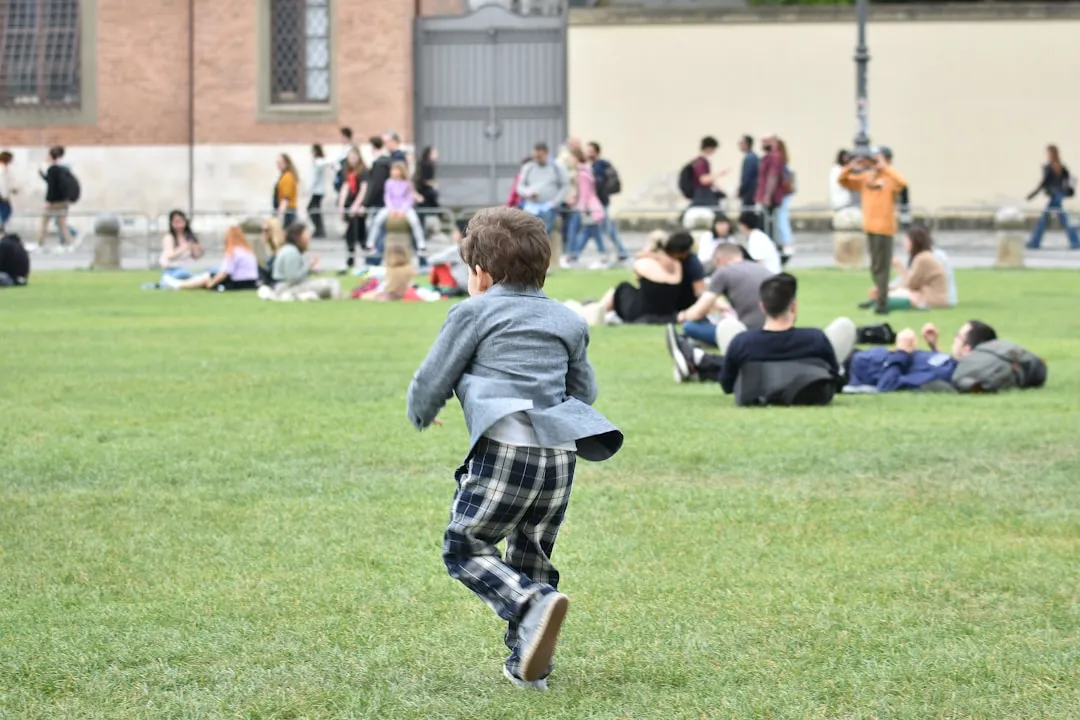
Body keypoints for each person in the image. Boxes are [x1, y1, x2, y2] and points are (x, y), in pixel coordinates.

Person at [406, 207, 622, 689]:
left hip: (506, 449)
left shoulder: (473, 311)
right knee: (532, 557)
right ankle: (530, 668)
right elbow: (583, 391)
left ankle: (530, 604)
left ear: (480, 274)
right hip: (559, 458)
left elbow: (432, 377)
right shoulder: (567, 319)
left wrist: (422, 410)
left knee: (465, 547)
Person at [666, 274, 854, 408]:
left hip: (756, 390)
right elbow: (835, 376)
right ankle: (698, 361)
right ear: (794, 305)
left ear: (762, 307)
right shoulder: (815, 338)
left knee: (728, 327)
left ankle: (699, 361)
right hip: (811, 391)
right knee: (843, 326)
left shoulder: (743, 342)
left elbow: (727, 385)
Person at [570, 231, 705, 326]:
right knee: (621, 291)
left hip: (648, 309)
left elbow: (700, 291)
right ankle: (597, 308)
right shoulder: (679, 265)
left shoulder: (654, 264)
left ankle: (597, 309)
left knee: (621, 289)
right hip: (669, 308)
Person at [838, 149, 907, 315]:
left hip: (885, 228)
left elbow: (903, 183)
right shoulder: (866, 178)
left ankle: (882, 304)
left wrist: (885, 167)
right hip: (870, 227)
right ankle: (878, 298)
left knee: (882, 267)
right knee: (875, 267)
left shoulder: (889, 179)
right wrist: (851, 166)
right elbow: (843, 181)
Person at [847, 321, 998, 392]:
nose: (954, 338)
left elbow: (888, 385)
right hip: (861, 355)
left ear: (967, 350)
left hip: (850, 367)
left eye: (957, 336)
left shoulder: (944, 375)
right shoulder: (953, 364)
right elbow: (933, 365)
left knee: (842, 327)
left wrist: (902, 351)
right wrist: (933, 346)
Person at [674, 242, 774, 347]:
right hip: (774, 330)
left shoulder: (724, 272)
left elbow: (697, 313)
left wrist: (683, 315)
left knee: (690, 326)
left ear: (719, 260)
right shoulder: (762, 269)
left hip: (748, 334)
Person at [859, 225, 951, 311]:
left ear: (914, 242)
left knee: (896, 295)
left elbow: (910, 285)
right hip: (933, 296)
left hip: (932, 298)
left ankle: (878, 303)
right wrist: (888, 288)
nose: (905, 244)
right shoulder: (925, 257)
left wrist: (899, 267)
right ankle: (878, 301)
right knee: (894, 293)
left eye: (907, 241)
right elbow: (911, 284)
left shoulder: (922, 259)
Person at [258, 222, 340, 301]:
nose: (309, 238)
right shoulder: (291, 252)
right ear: (298, 236)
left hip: (287, 286)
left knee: (330, 282)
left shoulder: (290, 250)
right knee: (331, 283)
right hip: (288, 287)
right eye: (306, 235)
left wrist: (311, 269)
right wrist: (308, 267)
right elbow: (293, 278)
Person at [167, 226, 260, 291]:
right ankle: (183, 283)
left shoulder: (233, 252)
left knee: (209, 276)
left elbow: (225, 272)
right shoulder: (248, 251)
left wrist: (212, 282)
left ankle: (180, 285)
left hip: (238, 283)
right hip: (251, 282)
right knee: (210, 276)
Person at [369, 161, 427, 264]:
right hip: (391, 207)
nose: (394, 172)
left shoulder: (408, 184)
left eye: (396, 170)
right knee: (377, 220)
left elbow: (409, 199)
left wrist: (402, 210)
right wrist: (392, 209)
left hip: (404, 208)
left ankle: (421, 245)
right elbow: (387, 197)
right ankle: (371, 243)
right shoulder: (389, 183)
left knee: (414, 221)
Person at [1026, 144, 1080, 250]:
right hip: (1057, 196)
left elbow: (1044, 183)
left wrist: (1033, 194)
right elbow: (1070, 179)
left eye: (1048, 153)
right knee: (1060, 219)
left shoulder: (1051, 167)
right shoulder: (1060, 166)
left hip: (1055, 197)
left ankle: (1035, 242)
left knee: (1045, 220)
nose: (1047, 155)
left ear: (1052, 154)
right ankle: (1075, 242)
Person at [561, 146, 607, 269]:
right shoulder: (585, 171)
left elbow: (585, 193)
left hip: (587, 208)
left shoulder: (582, 173)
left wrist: (580, 207)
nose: (570, 160)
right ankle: (577, 256)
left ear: (576, 158)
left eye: (571, 157)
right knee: (591, 233)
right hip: (588, 207)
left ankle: (572, 256)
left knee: (578, 231)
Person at [586, 141, 630, 265]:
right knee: (601, 228)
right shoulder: (592, 166)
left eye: (590, 151)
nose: (588, 153)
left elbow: (601, 184)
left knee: (606, 228)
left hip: (601, 201)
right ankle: (616, 252)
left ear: (596, 152)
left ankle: (619, 251)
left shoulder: (601, 165)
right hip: (595, 202)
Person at [517, 142, 569, 235]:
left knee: (544, 235)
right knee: (528, 234)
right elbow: (520, 186)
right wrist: (527, 192)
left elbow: (565, 185)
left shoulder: (557, 167)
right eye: (535, 156)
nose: (537, 159)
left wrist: (555, 201)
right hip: (531, 208)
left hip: (548, 208)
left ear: (546, 154)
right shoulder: (528, 167)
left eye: (540, 156)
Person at [337, 147, 369, 274]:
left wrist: (356, 205)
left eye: (354, 157)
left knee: (361, 234)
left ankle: (367, 260)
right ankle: (350, 261)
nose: (352, 159)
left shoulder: (363, 171)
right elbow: (345, 188)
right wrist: (341, 205)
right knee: (350, 234)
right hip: (349, 206)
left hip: (358, 207)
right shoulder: (347, 171)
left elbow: (363, 189)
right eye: (350, 157)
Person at [37, 146, 76, 253]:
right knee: (62, 223)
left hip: (54, 202)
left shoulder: (52, 169)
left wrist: (48, 201)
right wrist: (43, 175)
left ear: (50, 156)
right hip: (63, 201)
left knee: (44, 223)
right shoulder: (64, 168)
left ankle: (41, 244)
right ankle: (69, 243)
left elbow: (52, 187)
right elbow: (54, 183)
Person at [157, 210, 204, 281]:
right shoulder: (169, 237)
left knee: (209, 272)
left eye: (181, 221)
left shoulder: (189, 237)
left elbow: (196, 256)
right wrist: (184, 248)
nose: (180, 225)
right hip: (172, 270)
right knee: (183, 274)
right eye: (176, 222)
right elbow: (170, 256)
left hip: (185, 269)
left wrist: (198, 248)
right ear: (171, 223)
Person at [754, 133, 786, 237]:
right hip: (766, 196)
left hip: (770, 198)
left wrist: (767, 196)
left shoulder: (774, 156)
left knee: (768, 226)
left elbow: (773, 176)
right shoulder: (769, 156)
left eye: (765, 141)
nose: (762, 144)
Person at [362, 135, 392, 235]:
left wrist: (366, 203)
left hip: (380, 201)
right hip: (386, 200)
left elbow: (376, 185)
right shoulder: (388, 161)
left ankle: (379, 249)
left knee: (377, 228)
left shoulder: (379, 164)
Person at [774, 139, 796, 259]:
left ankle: (787, 243)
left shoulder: (781, 163)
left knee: (782, 219)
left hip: (783, 195)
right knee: (781, 219)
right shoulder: (784, 162)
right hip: (784, 194)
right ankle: (786, 243)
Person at [689, 136, 725, 208]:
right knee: (719, 215)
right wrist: (719, 174)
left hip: (703, 193)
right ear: (709, 148)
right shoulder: (701, 162)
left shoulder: (701, 161)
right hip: (703, 194)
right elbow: (704, 179)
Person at [308, 144, 331, 239]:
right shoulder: (319, 162)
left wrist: (310, 187)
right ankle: (319, 229)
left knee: (313, 209)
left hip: (318, 190)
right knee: (315, 209)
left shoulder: (319, 162)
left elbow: (316, 176)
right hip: (318, 190)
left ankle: (319, 229)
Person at [274, 153, 300, 227]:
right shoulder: (285, 176)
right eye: (277, 162)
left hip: (288, 211)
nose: (278, 165)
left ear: (286, 163)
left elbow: (286, 198)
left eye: (280, 162)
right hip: (288, 211)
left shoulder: (287, 177)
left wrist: (279, 214)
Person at [737, 135, 759, 211]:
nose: (739, 145)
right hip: (751, 191)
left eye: (741, 143)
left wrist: (741, 190)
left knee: (747, 215)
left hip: (750, 192)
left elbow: (747, 177)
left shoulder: (750, 158)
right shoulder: (752, 157)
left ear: (746, 144)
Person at [0, 151, 15, 234]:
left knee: (5, 211)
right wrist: (4, 195)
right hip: (2, 196)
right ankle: (1, 229)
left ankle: (2, 228)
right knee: (6, 211)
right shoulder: (2, 169)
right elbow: (2, 183)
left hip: (3, 195)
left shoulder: (4, 169)